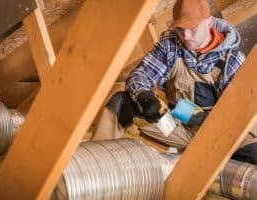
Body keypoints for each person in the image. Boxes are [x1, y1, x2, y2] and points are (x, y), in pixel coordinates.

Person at [92, 0, 254, 161]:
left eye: (192, 30)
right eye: (180, 30)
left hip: (220, 134)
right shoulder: (171, 43)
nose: (186, 37)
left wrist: (205, 119)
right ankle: (95, 165)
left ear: (209, 21)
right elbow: (140, 76)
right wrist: (144, 96)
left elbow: (238, 114)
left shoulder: (232, 59)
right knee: (121, 102)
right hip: (177, 127)